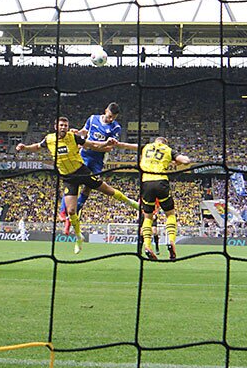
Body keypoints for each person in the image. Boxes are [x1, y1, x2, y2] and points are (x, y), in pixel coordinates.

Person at [16, 116, 138, 254]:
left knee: (107, 190)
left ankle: (131, 202)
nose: (63, 127)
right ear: (56, 127)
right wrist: (25, 147)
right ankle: (79, 237)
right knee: (71, 211)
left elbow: (92, 144)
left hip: (82, 171)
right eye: (61, 125)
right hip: (68, 178)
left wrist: (105, 143)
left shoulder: (73, 137)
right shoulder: (49, 139)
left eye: (65, 125)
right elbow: (38, 147)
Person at [59, 102, 137, 233]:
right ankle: (63, 212)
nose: (111, 119)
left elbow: (109, 148)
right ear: (106, 110)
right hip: (84, 156)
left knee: (88, 188)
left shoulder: (116, 127)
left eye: (113, 118)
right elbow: (85, 131)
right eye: (110, 116)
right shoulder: (93, 118)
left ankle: (70, 217)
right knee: (73, 180)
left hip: (98, 161)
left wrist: (94, 146)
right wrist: (78, 132)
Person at [137, 137, 191, 260]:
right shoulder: (168, 150)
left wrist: (117, 144)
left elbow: (130, 146)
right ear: (165, 143)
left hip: (146, 183)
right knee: (170, 214)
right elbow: (186, 161)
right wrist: (177, 161)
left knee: (147, 217)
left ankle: (147, 245)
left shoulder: (146, 147)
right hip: (161, 182)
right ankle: (171, 241)